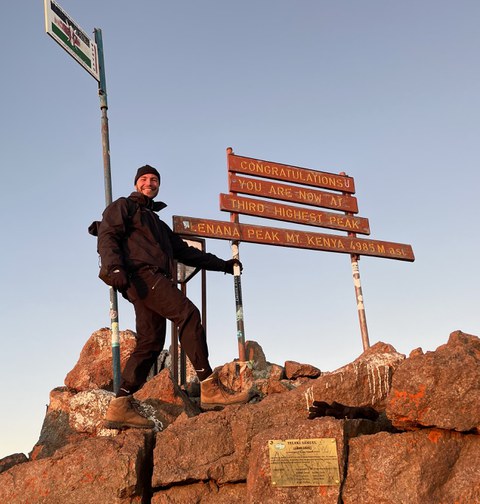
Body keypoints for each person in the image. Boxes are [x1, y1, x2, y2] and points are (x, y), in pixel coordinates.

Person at [99, 165, 250, 429]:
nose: (150, 182)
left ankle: (119, 405)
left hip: (149, 280)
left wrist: (223, 265)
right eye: (144, 179)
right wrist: (113, 267)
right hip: (141, 275)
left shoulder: (157, 223)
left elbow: (186, 253)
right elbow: (107, 233)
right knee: (189, 314)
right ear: (136, 184)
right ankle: (209, 387)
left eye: (154, 179)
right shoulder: (125, 206)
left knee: (150, 342)